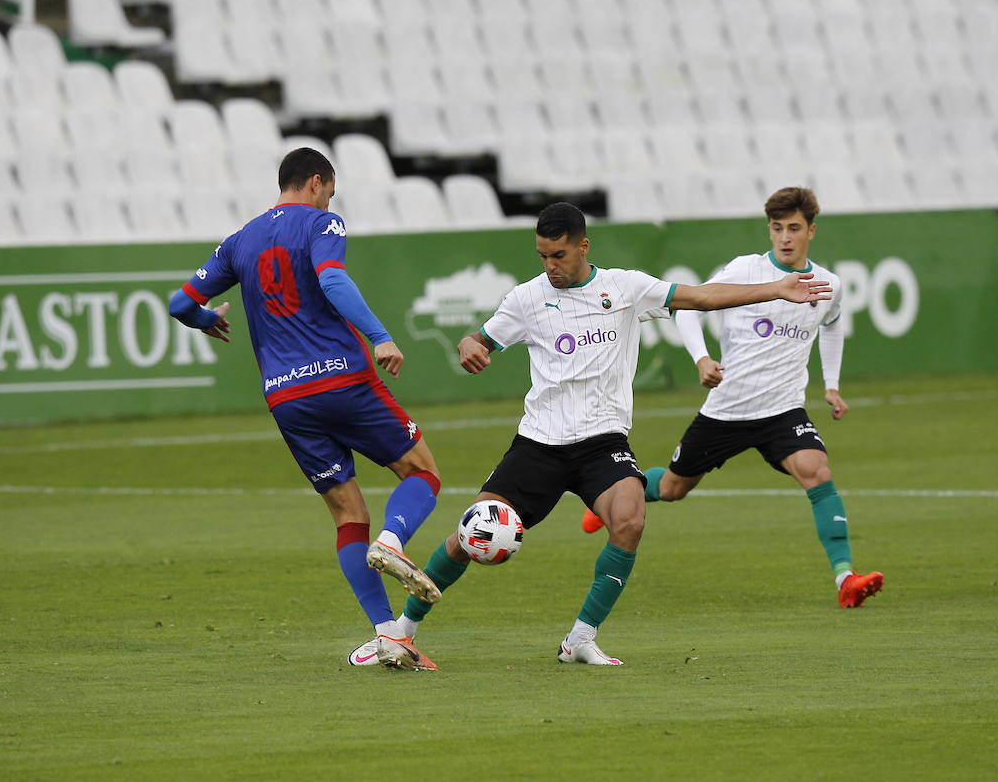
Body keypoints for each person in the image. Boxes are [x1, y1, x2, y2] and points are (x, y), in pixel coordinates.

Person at [348, 202, 832, 667]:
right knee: (470, 536)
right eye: (542, 255)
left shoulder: (625, 288)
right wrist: (469, 346)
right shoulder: (527, 298)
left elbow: (702, 297)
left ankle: (581, 639)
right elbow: (479, 338)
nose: (550, 265)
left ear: (583, 246)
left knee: (631, 520)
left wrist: (777, 288)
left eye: (558, 255)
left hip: (603, 443)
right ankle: (400, 633)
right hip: (540, 443)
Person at [168, 147, 445, 670]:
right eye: (330, 193)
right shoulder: (323, 224)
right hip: (343, 377)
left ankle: (389, 636)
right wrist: (381, 336)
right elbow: (333, 279)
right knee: (422, 472)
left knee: (346, 514)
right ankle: (393, 540)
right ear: (317, 182)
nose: (329, 202)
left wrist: (206, 322)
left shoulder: (239, 240)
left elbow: (179, 303)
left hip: (286, 397)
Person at [580, 186, 884, 608]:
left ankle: (845, 579)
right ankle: (613, 495)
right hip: (726, 410)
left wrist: (830, 385)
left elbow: (831, 325)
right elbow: (688, 307)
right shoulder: (745, 270)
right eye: (777, 228)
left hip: (782, 409)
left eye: (794, 228)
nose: (785, 237)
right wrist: (703, 359)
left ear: (811, 231)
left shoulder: (828, 284)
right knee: (671, 488)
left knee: (817, 470)